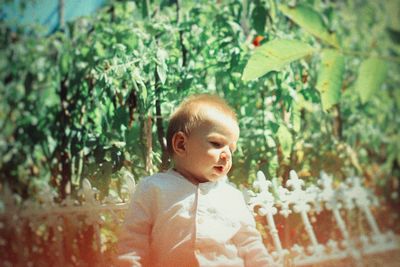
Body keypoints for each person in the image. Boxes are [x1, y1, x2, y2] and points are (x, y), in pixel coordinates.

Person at [116, 94, 273, 267]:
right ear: (181, 144)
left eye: (232, 149)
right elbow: (132, 244)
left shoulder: (232, 197)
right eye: (216, 143)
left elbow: (251, 245)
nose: (227, 154)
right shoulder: (154, 188)